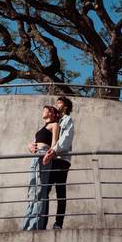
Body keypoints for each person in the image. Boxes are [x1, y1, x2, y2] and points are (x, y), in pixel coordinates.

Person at [21, 104, 59, 230]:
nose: (43, 112)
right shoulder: (41, 129)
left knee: (39, 190)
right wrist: (29, 145)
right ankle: (26, 225)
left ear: (51, 113)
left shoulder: (54, 125)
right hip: (35, 156)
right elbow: (32, 143)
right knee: (32, 190)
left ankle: (34, 226)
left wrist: (49, 154)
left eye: (45, 110)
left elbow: (54, 143)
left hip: (44, 155)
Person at [44, 96, 74, 229]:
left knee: (60, 191)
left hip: (62, 160)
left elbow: (66, 138)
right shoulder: (55, 120)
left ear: (65, 107)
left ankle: (58, 223)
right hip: (52, 158)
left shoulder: (68, 120)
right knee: (46, 189)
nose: (57, 104)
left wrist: (54, 150)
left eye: (60, 102)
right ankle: (42, 221)